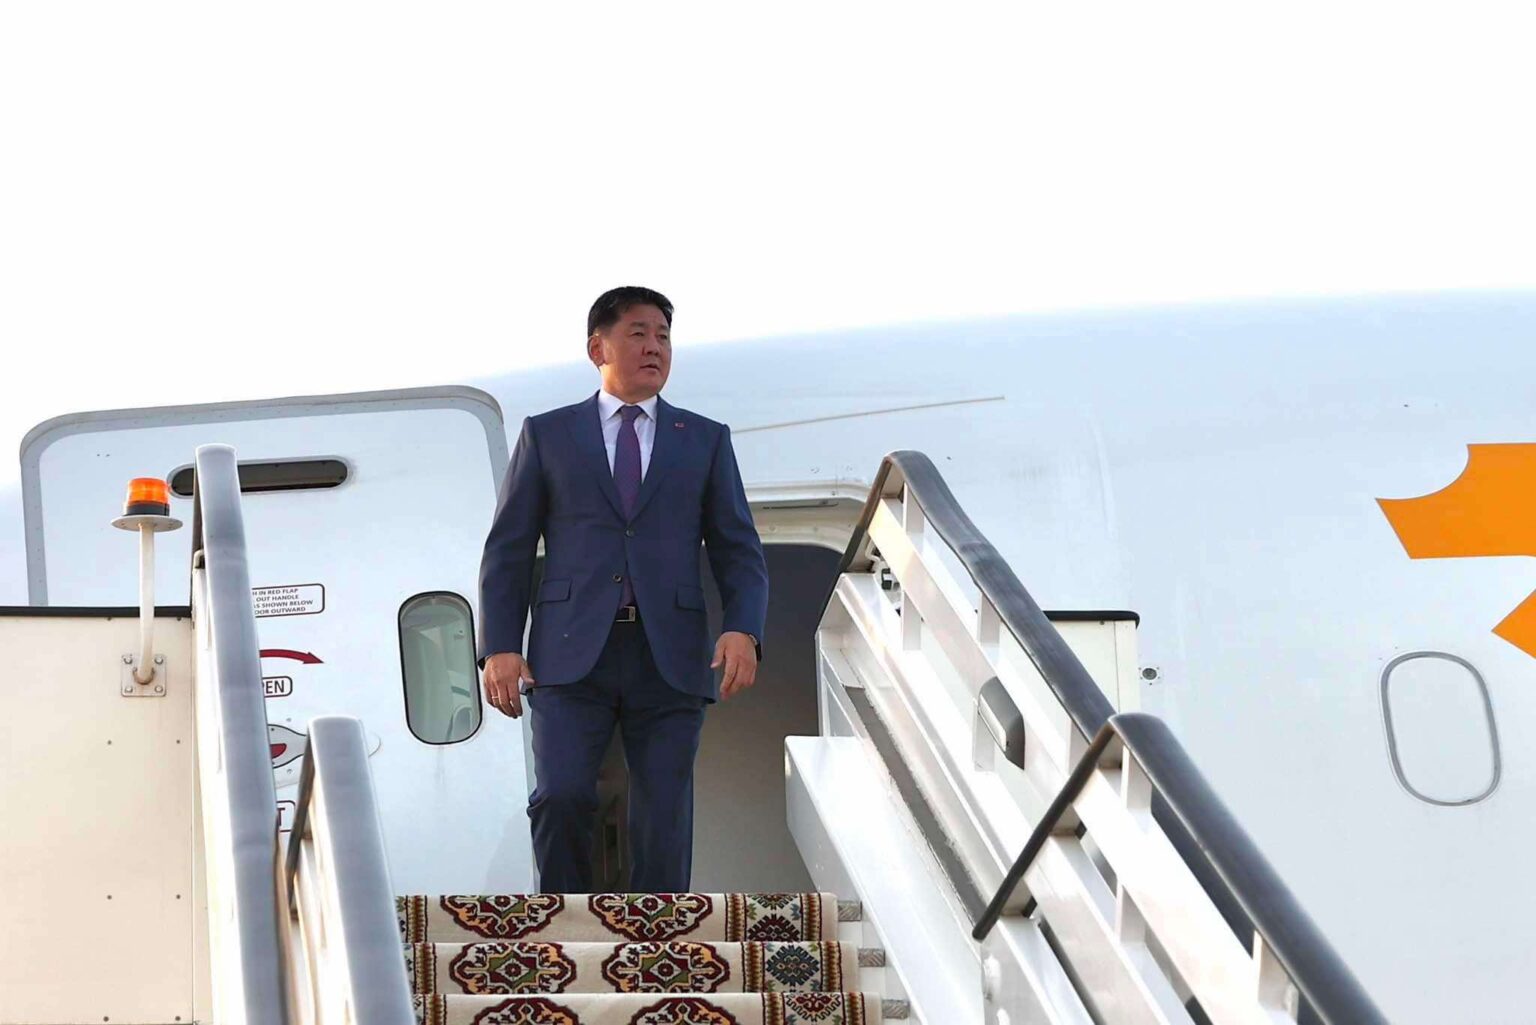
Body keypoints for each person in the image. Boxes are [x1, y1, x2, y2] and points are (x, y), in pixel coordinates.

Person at [477, 285, 769, 893]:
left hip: (669, 652)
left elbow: (737, 545)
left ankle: (660, 933)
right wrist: (499, 644)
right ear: (598, 349)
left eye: (663, 336)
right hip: (569, 649)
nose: (654, 347)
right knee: (562, 794)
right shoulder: (548, 434)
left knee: (663, 807)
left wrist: (744, 627)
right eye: (638, 333)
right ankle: (563, 921)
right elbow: (509, 548)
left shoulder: (704, 438)